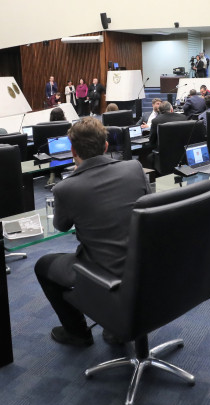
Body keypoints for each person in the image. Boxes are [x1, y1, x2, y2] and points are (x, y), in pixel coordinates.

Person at [34, 117, 150, 347]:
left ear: (73, 150)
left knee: (43, 265)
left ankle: (78, 333)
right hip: (145, 265)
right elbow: (146, 205)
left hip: (105, 270)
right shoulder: (134, 168)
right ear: (105, 146)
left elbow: (61, 226)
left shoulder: (66, 188)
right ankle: (114, 323)